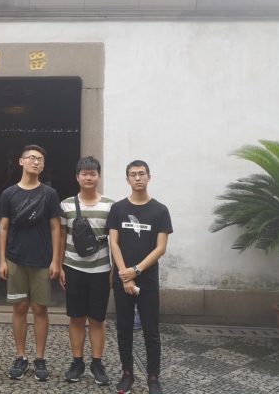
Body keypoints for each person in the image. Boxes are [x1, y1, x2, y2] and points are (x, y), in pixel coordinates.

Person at [0, 144, 62, 381]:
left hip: (42, 259)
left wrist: (56, 260)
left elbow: (56, 228)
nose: (36, 162)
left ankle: (40, 358)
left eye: (40, 160)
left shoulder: (49, 194)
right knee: (19, 308)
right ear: (21, 161)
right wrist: (2, 260)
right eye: (32, 158)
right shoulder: (8, 194)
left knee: (40, 309)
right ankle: (21, 356)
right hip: (15, 258)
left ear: (43, 166)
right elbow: (3, 228)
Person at [106, 160, 172, 394]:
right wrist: (125, 275)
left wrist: (136, 271)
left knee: (151, 331)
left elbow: (161, 247)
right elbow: (114, 243)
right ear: (127, 179)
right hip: (122, 279)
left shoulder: (160, 210)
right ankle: (127, 374)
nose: (137, 178)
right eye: (133, 174)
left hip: (147, 280)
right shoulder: (118, 209)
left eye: (141, 174)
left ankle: (153, 378)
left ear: (149, 177)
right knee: (124, 329)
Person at [59, 156, 114, 385]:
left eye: (93, 174)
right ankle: (77, 362)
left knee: (98, 319)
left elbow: (115, 241)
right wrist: (60, 266)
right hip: (73, 268)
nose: (88, 177)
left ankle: (97, 363)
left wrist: (114, 269)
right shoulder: (66, 205)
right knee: (76, 317)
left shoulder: (111, 206)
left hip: (101, 270)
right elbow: (61, 237)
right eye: (84, 174)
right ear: (77, 177)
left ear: (99, 177)